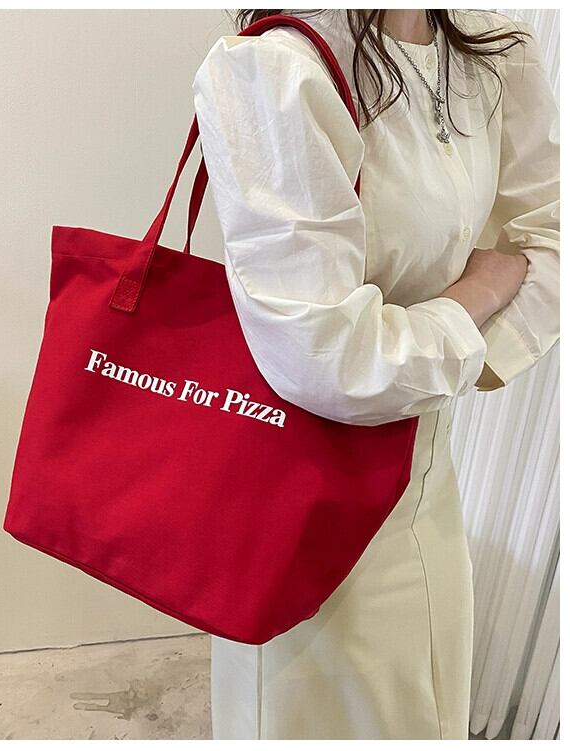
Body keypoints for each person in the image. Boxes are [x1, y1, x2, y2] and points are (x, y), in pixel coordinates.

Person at [191, 8, 559, 740]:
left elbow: (547, 239)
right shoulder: (279, 66)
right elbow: (327, 357)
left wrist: (420, 352)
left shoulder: (494, 49)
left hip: (426, 469)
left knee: (427, 700)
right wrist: (475, 296)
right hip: (306, 495)